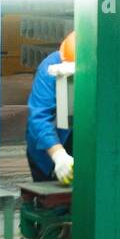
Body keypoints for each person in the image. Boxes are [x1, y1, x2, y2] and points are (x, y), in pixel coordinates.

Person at [26, 31, 75, 184]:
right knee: (52, 201)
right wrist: (58, 155)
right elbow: (39, 117)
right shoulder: (50, 68)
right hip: (49, 147)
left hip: (86, 141)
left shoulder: (109, 69)